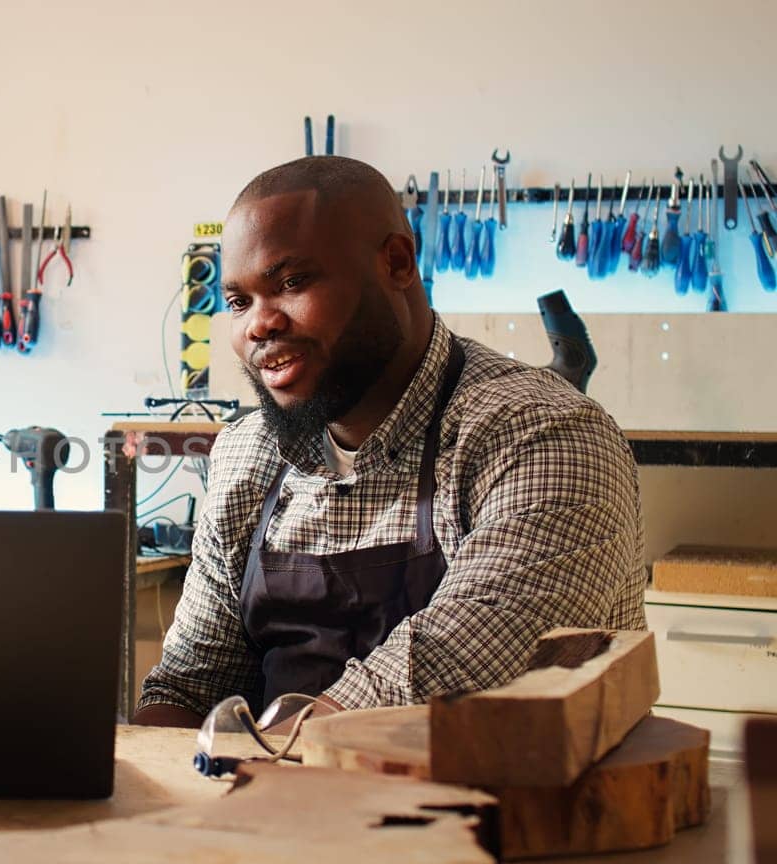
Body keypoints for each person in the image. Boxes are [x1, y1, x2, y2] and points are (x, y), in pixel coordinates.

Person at [134, 156, 647, 729]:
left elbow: (450, 674)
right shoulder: (248, 455)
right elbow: (190, 684)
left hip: (483, 808)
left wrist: (266, 764)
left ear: (397, 263)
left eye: (292, 282)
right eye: (239, 302)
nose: (259, 324)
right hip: (271, 804)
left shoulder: (540, 435)